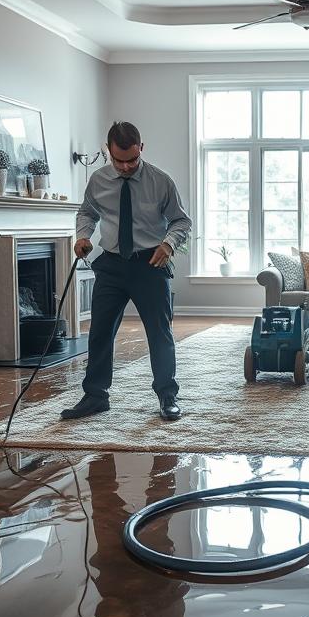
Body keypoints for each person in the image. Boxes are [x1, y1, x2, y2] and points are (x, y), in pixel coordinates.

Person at [63, 121, 192, 420]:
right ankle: (95, 396)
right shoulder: (97, 181)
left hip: (151, 263)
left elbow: (181, 221)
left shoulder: (161, 181)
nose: (125, 167)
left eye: (132, 159)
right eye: (118, 160)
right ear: (108, 151)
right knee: (99, 333)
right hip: (110, 264)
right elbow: (87, 212)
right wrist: (83, 236)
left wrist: (169, 244)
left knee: (159, 334)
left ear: (141, 149)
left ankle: (167, 396)